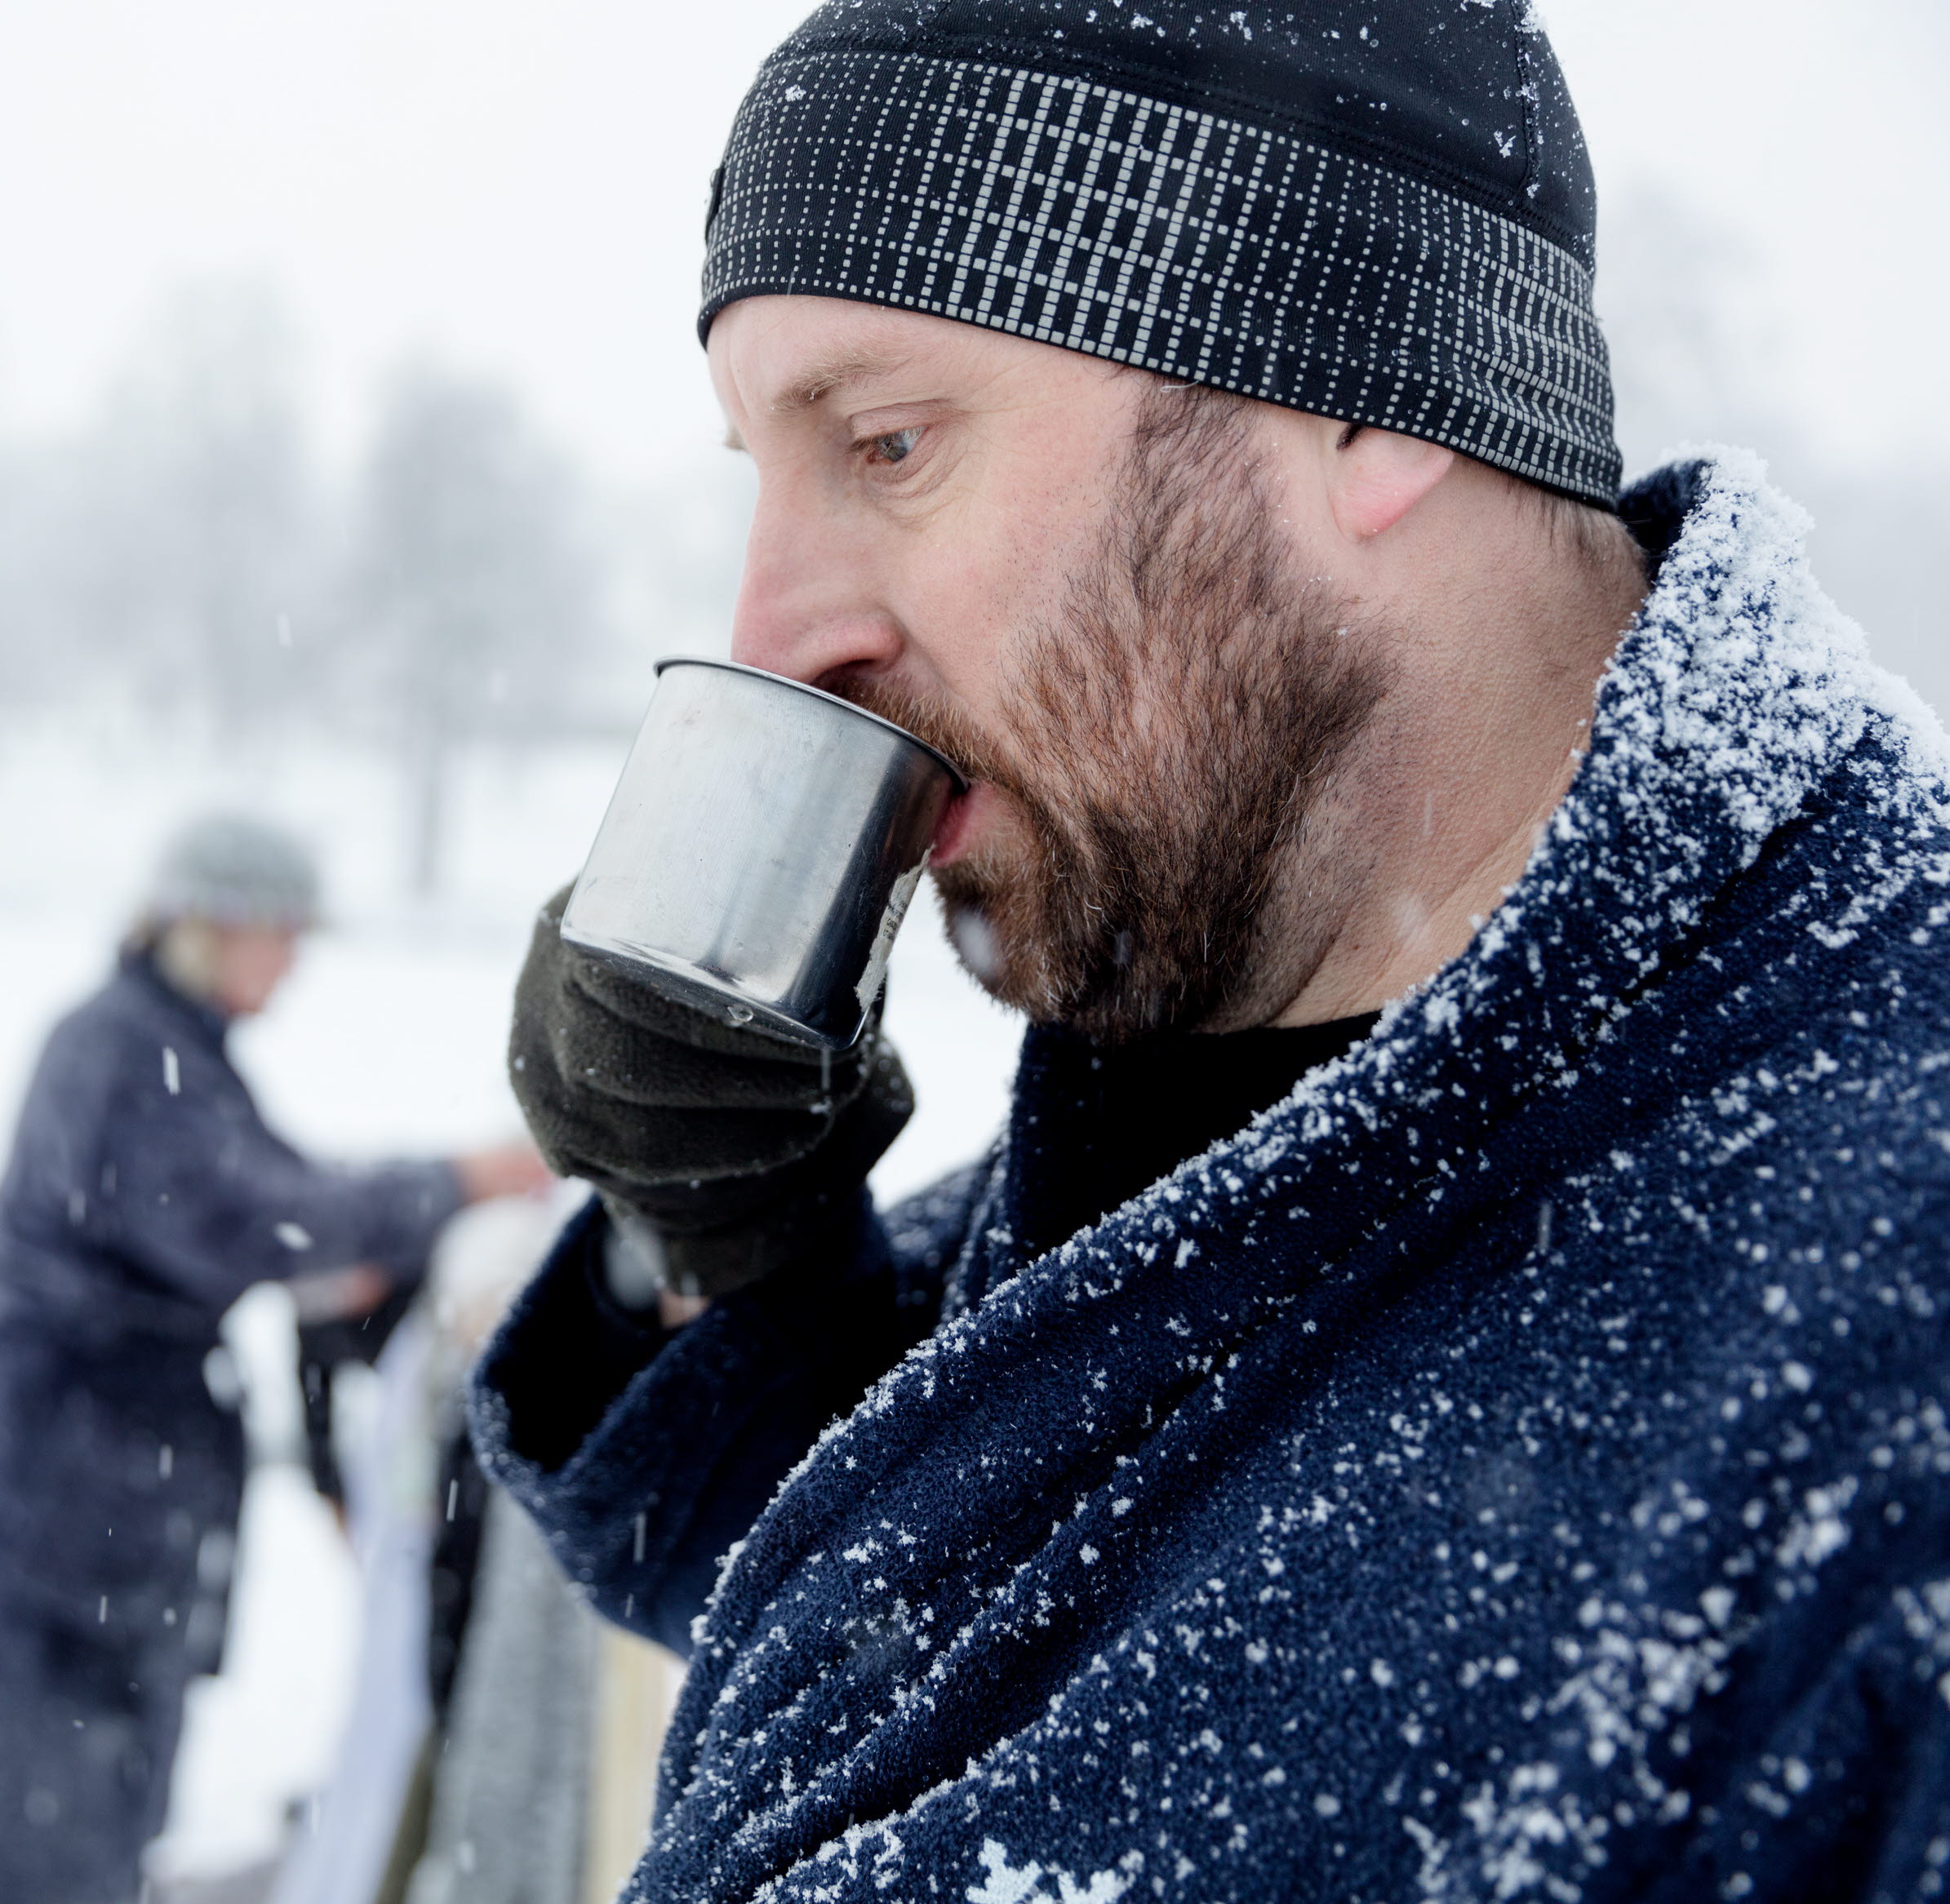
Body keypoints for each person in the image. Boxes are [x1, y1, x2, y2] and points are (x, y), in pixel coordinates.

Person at [470, 4, 1950, 1901]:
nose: (774, 630)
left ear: (1365, 391)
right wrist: (737, 1257)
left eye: (889, 443)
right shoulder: (1246, 1004)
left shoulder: (1881, 1318)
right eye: (759, 468)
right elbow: (994, 1665)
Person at [0, 814, 546, 1904]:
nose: (295, 961)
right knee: (21, 1803)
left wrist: (377, 1234)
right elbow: (254, 1218)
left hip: (103, 1463)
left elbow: (280, 1207)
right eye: (284, 934)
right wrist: (461, 1180)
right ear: (214, 925)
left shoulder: (175, 1049)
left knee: (79, 1801)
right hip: (59, 1461)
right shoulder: (122, 1050)